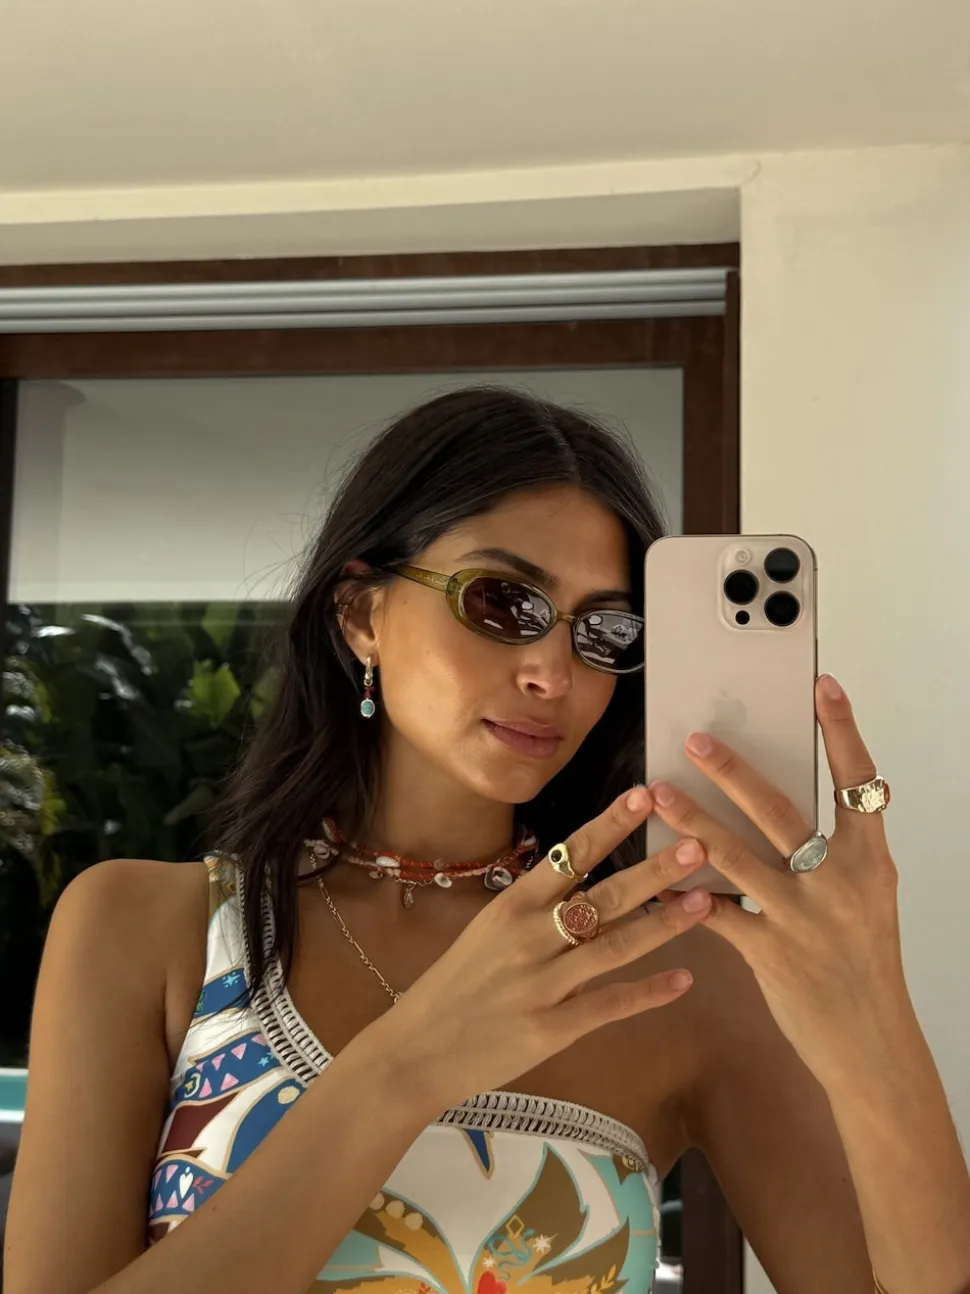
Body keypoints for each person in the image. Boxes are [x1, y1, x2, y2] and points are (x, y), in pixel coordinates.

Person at [4, 387, 969, 1294]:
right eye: (504, 604)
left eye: (603, 631)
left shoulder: (677, 974)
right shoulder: (146, 929)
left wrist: (872, 1006)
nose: (555, 673)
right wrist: (410, 1062)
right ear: (360, 613)